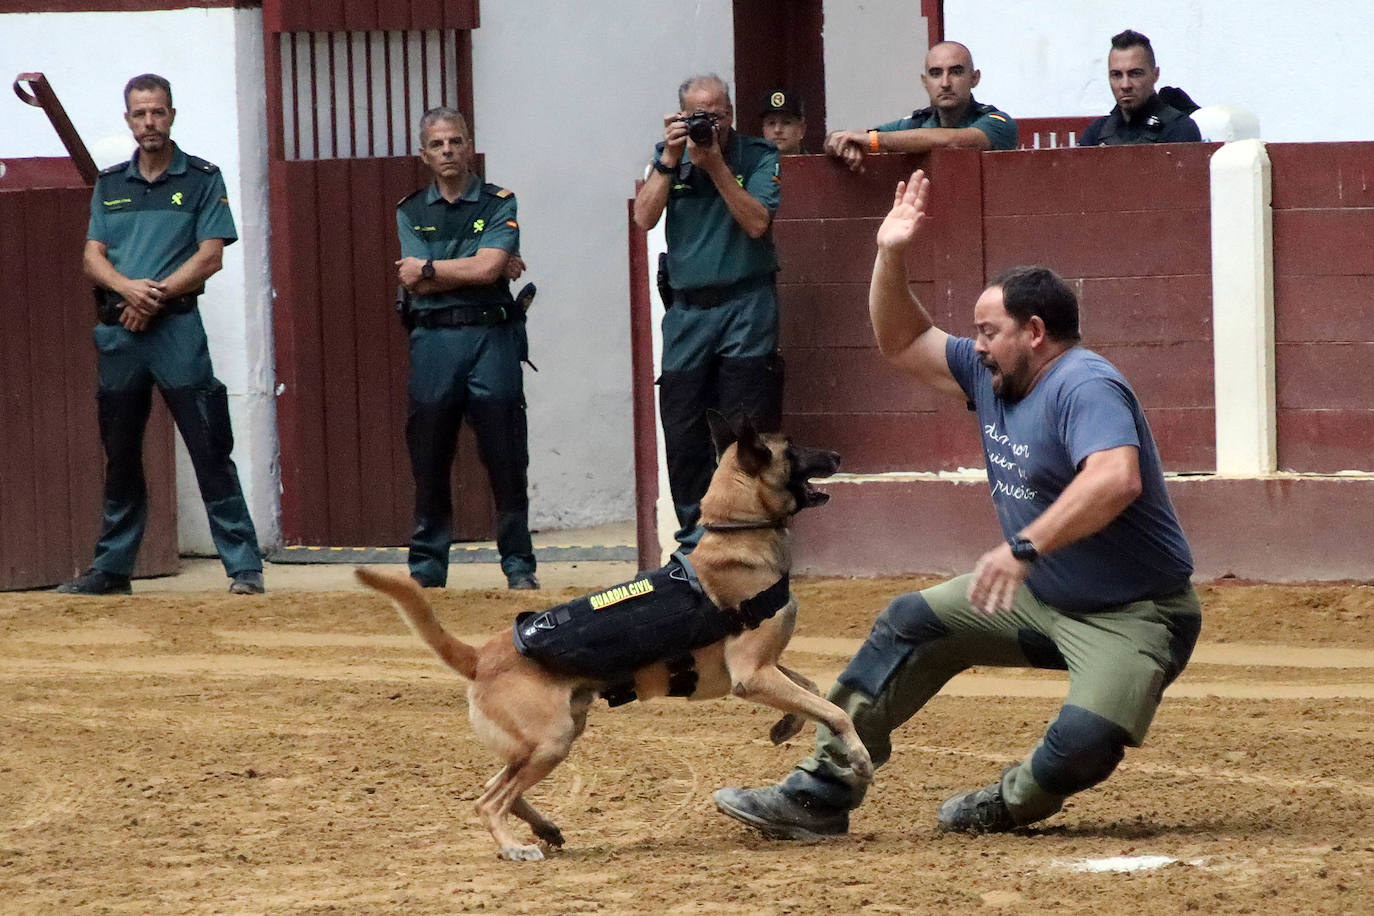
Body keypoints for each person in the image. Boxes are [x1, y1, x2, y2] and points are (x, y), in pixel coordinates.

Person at [714, 169, 1202, 837]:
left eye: (987, 330)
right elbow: (902, 342)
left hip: (1136, 615)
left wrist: (1024, 546)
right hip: (1039, 595)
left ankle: (1009, 803)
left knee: (1083, 747)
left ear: (1034, 332)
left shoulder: (1084, 384)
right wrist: (890, 253)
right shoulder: (994, 372)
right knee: (910, 622)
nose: (973, 344)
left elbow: (1116, 479)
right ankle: (820, 792)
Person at [58, 74, 264, 596]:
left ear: (171, 115)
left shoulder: (201, 179)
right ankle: (112, 569)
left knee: (209, 444)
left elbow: (210, 255)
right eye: (139, 114)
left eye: (158, 113)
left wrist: (153, 298)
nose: (149, 123)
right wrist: (129, 291)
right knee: (121, 452)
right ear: (128, 119)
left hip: (176, 331)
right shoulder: (111, 184)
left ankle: (244, 568)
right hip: (121, 338)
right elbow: (91, 258)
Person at [632, 74, 784, 553]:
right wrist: (670, 158)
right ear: (679, 115)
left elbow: (758, 222)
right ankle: (694, 541)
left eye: (716, 114)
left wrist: (716, 165)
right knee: (683, 430)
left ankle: (748, 536)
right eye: (698, 115)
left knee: (745, 427)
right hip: (688, 312)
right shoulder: (667, 157)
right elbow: (644, 218)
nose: (708, 124)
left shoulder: (757, 156)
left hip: (746, 305)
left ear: (731, 114)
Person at [395, 107, 538, 591]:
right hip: (433, 342)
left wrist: (434, 270)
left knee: (506, 455)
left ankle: (519, 565)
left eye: (455, 142)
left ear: (469, 145)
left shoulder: (499, 201)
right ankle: (428, 567)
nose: (448, 151)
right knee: (430, 454)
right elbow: (418, 282)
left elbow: (485, 267)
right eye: (437, 145)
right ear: (424, 154)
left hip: (489, 339)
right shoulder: (410, 210)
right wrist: (479, 267)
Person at [824, 42, 1016, 172]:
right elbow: (849, 137)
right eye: (936, 73)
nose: (945, 83)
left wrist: (873, 140)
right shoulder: (918, 123)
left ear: (974, 78)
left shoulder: (998, 122)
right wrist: (841, 141)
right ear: (925, 82)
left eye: (956, 72)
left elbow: (952, 141)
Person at [1079, 30, 1202, 146]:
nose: (1125, 85)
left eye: (1135, 74)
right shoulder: (1095, 133)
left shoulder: (1179, 129)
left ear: (1155, 75)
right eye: (1116, 75)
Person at [760, 89, 807, 155]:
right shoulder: (751, 164)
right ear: (763, 130)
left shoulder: (816, 164)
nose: (777, 130)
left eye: (786, 122)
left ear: (802, 129)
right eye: (771, 123)